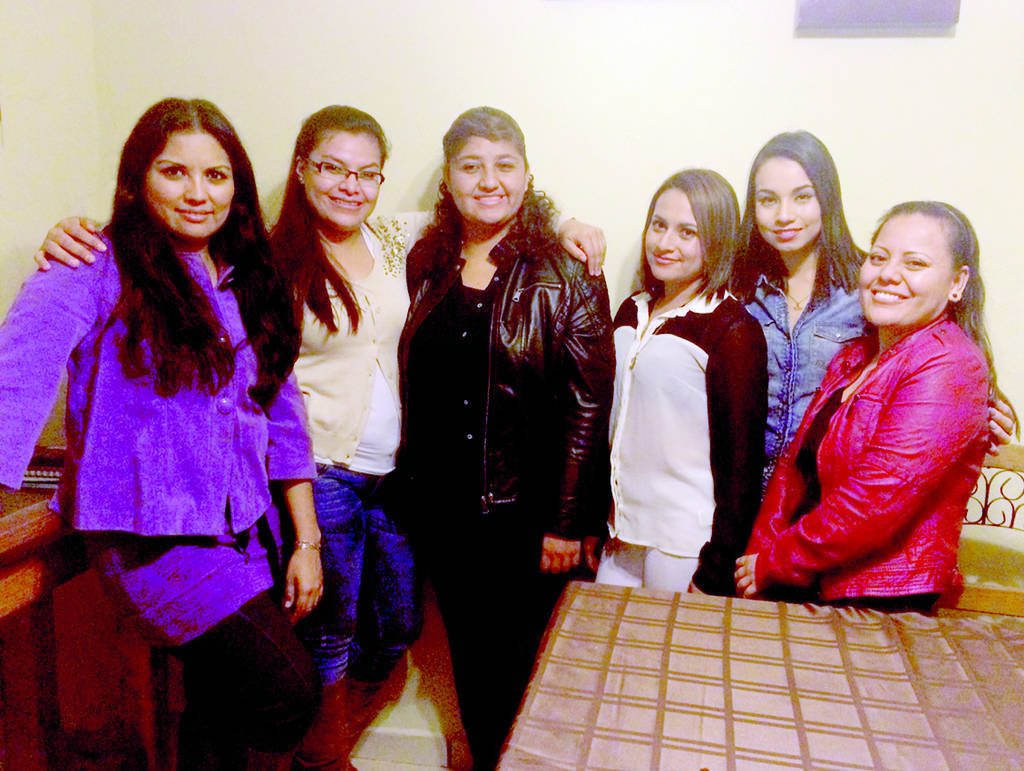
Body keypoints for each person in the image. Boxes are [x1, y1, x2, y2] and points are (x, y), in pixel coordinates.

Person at [33, 105, 606, 769]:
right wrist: (80, 235)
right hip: (322, 476)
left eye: (366, 173)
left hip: (396, 478)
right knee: (326, 637)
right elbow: (257, 379)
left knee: (396, 626)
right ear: (302, 169)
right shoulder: (266, 260)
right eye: (332, 167)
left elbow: (491, 199)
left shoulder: (398, 240)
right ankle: (325, 758)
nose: (349, 185)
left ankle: (323, 750)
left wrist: (565, 222)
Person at [0, 98, 322, 768]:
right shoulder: (93, 262)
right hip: (152, 544)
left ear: (237, 186)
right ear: (138, 178)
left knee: (218, 709)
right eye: (174, 171)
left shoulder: (249, 275)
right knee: (286, 693)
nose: (197, 192)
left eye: (216, 175)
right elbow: (19, 370)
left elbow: (282, 412)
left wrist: (307, 538)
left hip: (248, 533)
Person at [397, 106, 614, 769]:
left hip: (528, 524)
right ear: (448, 179)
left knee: (533, 682)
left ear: (526, 174)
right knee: (474, 673)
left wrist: (566, 523)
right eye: (471, 166)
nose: (488, 180)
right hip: (446, 518)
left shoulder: (568, 268)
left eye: (504, 165)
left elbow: (588, 405)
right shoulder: (425, 261)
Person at [735, 201, 1011, 612]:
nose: (887, 274)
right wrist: (758, 558)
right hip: (804, 581)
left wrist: (775, 562)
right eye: (879, 257)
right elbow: (793, 470)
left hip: (882, 600)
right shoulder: (854, 356)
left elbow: (876, 497)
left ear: (957, 283)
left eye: (914, 263)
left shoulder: (951, 363)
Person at [594, 169, 767, 596]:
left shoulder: (732, 329)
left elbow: (742, 465)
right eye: (659, 225)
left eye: (687, 232)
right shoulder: (631, 310)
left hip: (684, 543)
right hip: (618, 530)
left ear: (716, 240)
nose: (665, 242)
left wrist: (718, 566)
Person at [730, 131, 867, 488]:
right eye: (768, 200)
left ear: (827, 199)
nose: (784, 216)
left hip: (824, 498)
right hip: (742, 496)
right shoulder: (737, 287)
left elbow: (921, 361)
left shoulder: (866, 288)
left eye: (802, 197)